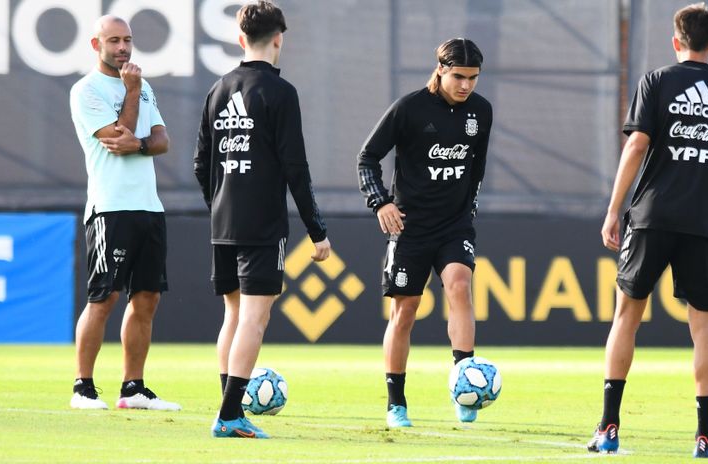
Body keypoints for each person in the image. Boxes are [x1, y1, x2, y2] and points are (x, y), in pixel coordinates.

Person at [588, 2, 708, 458]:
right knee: (705, 330)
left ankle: (607, 429)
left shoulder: (656, 80)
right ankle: (704, 438)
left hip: (650, 217)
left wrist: (613, 209)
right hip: (701, 224)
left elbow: (637, 145)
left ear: (675, 41)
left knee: (626, 316)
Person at [194, 0, 331, 439]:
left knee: (233, 315)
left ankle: (227, 408)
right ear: (279, 39)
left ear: (240, 39)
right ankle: (230, 415)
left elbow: (201, 163)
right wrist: (317, 231)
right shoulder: (280, 93)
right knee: (255, 317)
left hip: (223, 222)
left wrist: (217, 204)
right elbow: (296, 168)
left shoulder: (217, 89)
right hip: (262, 224)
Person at [357, 38, 493, 428]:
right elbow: (367, 157)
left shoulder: (481, 111)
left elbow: (476, 166)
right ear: (440, 70)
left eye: (473, 78)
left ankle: (464, 385)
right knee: (405, 311)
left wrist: (470, 208)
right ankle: (396, 403)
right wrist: (381, 202)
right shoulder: (410, 108)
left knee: (460, 286)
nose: (466, 85)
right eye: (458, 77)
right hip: (411, 226)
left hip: (454, 223)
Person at [68, 15, 180, 411]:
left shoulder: (143, 86)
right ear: (96, 45)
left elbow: (162, 140)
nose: (123, 48)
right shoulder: (86, 90)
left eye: (128, 40)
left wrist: (140, 143)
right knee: (104, 297)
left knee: (146, 297)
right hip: (110, 207)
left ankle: (133, 388)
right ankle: (83, 387)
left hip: (148, 206)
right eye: (114, 40)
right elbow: (119, 135)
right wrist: (130, 94)